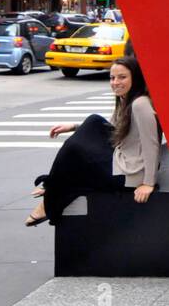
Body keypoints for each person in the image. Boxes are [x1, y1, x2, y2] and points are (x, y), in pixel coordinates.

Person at [26, 56, 159, 225]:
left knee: (80, 141)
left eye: (122, 77)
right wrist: (73, 126)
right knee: (90, 128)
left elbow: (151, 144)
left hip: (130, 173)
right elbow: (111, 127)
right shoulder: (126, 99)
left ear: (136, 78)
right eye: (112, 78)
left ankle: (49, 194)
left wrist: (148, 183)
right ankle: (52, 188)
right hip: (122, 161)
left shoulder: (140, 104)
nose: (115, 82)